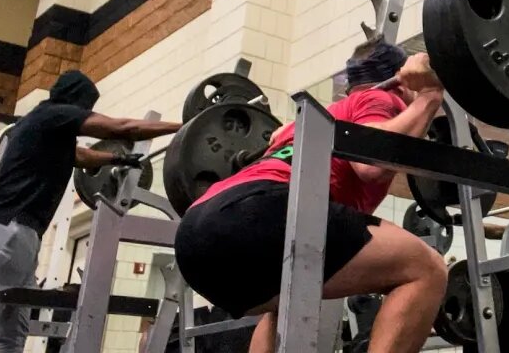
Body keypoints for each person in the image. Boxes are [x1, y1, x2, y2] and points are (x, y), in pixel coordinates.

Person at [174, 42, 449, 353]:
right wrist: (428, 96)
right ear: (401, 80)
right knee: (425, 269)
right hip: (257, 211)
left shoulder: (321, 118)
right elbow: (370, 165)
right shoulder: (381, 97)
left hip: (195, 233)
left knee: (288, 299)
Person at [0, 70, 181, 353]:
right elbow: (124, 127)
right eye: (86, 107)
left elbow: (81, 156)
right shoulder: (55, 115)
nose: (86, 112)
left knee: (11, 331)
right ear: (76, 101)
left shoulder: (37, 125)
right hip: (9, 229)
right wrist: (185, 126)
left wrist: (117, 159)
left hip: (9, 231)